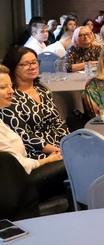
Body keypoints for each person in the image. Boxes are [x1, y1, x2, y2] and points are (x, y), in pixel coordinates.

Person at [0, 65, 66, 219]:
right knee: (72, 164)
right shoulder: (8, 114)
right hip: (17, 185)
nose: (11, 91)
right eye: (3, 87)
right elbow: (16, 165)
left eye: (10, 86)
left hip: (18, 178)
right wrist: (47, 160)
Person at [1, 48, 68, 159]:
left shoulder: (42, 90)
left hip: (59, 145)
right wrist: (57, 150)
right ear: (13, 67)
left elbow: (58, 121)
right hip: (36, 153)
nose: (32, 67)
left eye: (34, 62)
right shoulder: (9, 96)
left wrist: (67, 142)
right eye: (25, 64)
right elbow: (23, 135)